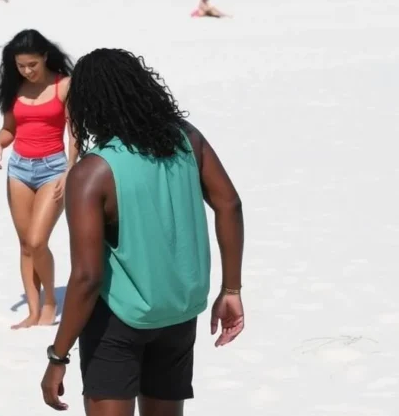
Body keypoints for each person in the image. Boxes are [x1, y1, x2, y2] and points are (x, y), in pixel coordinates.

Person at [40, 48, 245, 415]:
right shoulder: (187, 140)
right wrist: (231, 289)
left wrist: (58, 355)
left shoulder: (93, 173)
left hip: (118, 321)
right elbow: (229, 204)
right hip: (179, 313)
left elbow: (87, 277)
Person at [0, 29, 77, 329]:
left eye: (32, 65)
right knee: (25, 244)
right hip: (19, 169)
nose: (27, 70)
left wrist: (69, 170)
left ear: (44, 57)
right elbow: (9, 129)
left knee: (39, 240)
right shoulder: (14, 89)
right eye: (21, 66)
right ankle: (33, 309)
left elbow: (74, 133)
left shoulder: (64, 85)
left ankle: (51, 301)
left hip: (54, 168)